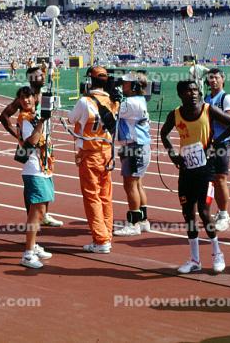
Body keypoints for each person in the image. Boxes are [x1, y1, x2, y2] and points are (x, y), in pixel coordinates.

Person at [160, 80, 230, 274]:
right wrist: (173, 155)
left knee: (204, 213)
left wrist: (215, 142)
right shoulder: (176, 114)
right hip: (187, 170)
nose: (194, 93)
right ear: (180, 94)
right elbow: (164, 134)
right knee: (188, 214)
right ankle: (195, 259)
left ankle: (217, 254)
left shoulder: (207, 109)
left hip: (206, 170)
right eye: (189, 91)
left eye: (196, 90)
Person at [0, 66, 63, 227]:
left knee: (46, 177)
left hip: (45, 144)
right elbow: (4, 116)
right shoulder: (25, 97)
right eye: (38, 76)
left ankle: (45, 214)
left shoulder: (46, 96)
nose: (42, 77)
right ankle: (31, 217)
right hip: (29, 144)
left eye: (42, 74)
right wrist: (18, 136)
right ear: (31, 79)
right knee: (32, 181)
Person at [67, 66, 119, 253]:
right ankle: (106, 235)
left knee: (92, 197)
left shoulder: (85, 101)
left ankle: (101, 239)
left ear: (90, 81)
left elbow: (71, 119)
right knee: (106, 196)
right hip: (107, 152)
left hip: (90, 154)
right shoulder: (114, 101)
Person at [14, 87, 55, 269]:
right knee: (35, 212)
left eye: (28, 97)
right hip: (33, 169)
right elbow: (32, 141)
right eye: (22, 98)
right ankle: (28, 254)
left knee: (42, 211)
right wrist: (42, 122)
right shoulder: (25, 118)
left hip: (44, 167)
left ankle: (34, 245)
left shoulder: (35, 115)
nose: (26, 101)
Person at [113, 72, 152, 237]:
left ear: (135, 86)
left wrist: (110, 96)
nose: (122, 84)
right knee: (137, 184)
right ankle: (143, 220)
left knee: (130, 185)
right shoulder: (139, 100)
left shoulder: (129, 104)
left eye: (126, 83)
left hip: (134, 147)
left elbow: (110, 111)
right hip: (140, 146)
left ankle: (134, 223)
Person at [204, 68, 230, 232]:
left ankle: (224, 214)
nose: (213, 81)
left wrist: (216, 140)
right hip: (207, 144)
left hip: (221, 144)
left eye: (216, 78)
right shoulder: (206, 98)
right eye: (210, 78)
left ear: (223, 79)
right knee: (211, 180)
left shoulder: (227, 98)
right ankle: (217, 211)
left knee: (221, 179)